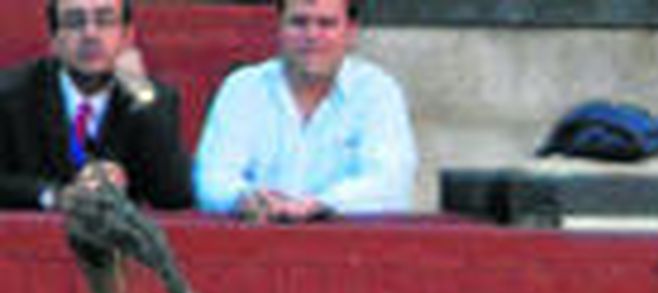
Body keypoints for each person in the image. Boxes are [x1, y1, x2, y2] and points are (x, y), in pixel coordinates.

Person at [192, 0, 416, 222]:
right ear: (279, 27)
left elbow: (390, 183)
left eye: (326, 24)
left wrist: (318, 206)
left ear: (350, 32)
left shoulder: (376, 91)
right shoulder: (243, 88)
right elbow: (212, 180)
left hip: (349, 246)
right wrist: (244, 199)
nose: (311, 35)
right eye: (299, 22)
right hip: (255, 243)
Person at [0, 0, 193, 211]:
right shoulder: (11, 94)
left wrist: (140, 93)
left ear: (127, 36)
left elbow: (176, 195)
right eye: (75, 22)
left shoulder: (151, 99)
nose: (90, 34)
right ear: (54, 40)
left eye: (105, 21)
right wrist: (54, 196)